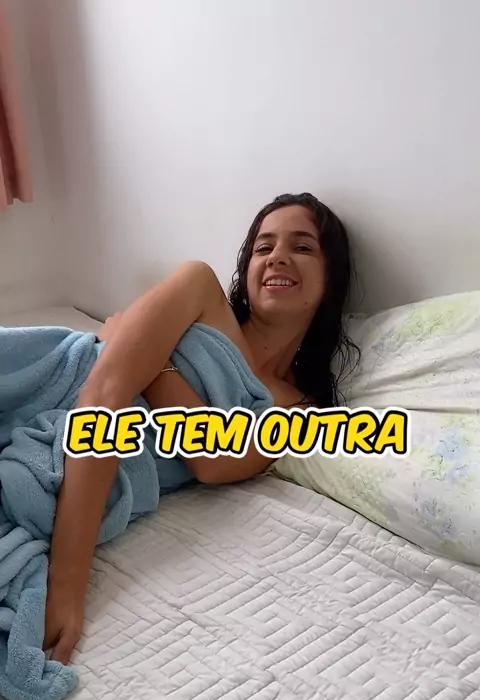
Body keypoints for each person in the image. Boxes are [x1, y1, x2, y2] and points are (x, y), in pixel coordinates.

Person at [44, 192, 359, 664]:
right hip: (61, 389)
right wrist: (67, 581)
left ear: (330, 276)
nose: (277, 257)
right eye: (264, 246)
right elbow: (104, 391)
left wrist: (149, 362)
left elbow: (212, 461)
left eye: (302, 247)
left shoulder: (302, 411)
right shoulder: (199, 288)